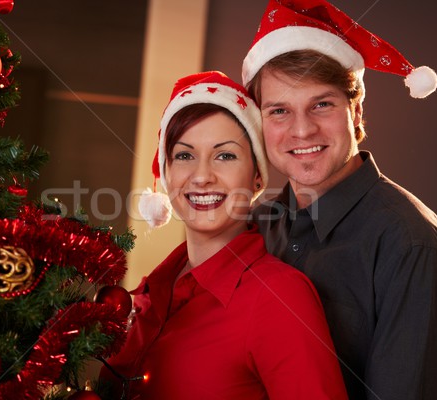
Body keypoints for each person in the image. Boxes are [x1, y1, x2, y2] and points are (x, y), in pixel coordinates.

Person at [241, 1, 437, 399]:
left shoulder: (411, 244)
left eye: (322, 104)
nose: (302, 130)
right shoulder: (253, 226)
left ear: (357, 111)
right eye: (279, 110)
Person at [99, 71, 347, 399]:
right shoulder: (146, 297)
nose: (201, 176)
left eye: (225, 155)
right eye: (185, 155)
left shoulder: (279, 298)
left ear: (257, 177)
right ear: (167, 172)